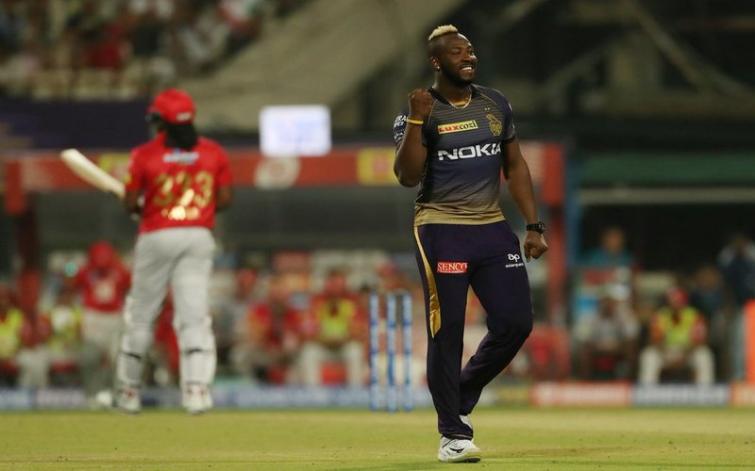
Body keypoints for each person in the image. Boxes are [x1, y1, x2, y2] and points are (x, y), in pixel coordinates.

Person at [392, 25, 547, 463]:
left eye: (471, 50)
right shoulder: (418, 110)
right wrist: (417, 120)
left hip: (492, 227)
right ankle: (453, 435)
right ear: (436, 62)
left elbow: (515, 166)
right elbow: (406, 176)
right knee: (448, 332)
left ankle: (458, 393)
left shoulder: (495, 103)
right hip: (441, 229)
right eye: (457, 52)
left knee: (515, 323)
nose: (468, 57)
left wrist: (533, 225)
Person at [115, 88, 233, 414]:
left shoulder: (144, 155)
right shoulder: (213, 152)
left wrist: (141, 206)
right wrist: (196, 210)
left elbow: (130, 202)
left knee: (141, 315)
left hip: (156, 235)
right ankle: (196, 392)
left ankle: (128, 392)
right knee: (194, 316)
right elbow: (225, 199)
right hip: (198, 235)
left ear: (160, 122)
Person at [74, 240, 130, 399]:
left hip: (114, 316)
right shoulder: (85, 271)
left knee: (118, 358)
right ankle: (92, 395)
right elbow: (73, 285)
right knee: (90, 357)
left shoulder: (120, 270)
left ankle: (118, 395)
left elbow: (130, 287)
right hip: (93, 316)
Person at [299, 269, 366, 387]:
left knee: (355, 351)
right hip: (322, 345)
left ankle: (355, 391)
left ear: (345, 284)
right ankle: (313, 393)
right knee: (308, 352)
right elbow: (307, 330)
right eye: (333, 284)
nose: (336, 288)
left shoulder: (353, 302)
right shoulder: (316, 302)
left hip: (345, 345)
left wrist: (343, 339)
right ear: (326, 284)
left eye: (339, 284)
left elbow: (360, 330)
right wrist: (323, 340)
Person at [638, 287, 714, 385]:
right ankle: (648, 390)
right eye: (673, 301)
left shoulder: (695, 316)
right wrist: (666, 355)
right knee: (649, 355)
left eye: (679, 301)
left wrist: (684, 356)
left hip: (688, 351)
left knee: (704, 355)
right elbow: (655, 340)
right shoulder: (660, 315)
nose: (675, 305)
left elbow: (700, 341)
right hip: (666, 351)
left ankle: (705, 390)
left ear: (685, 302)